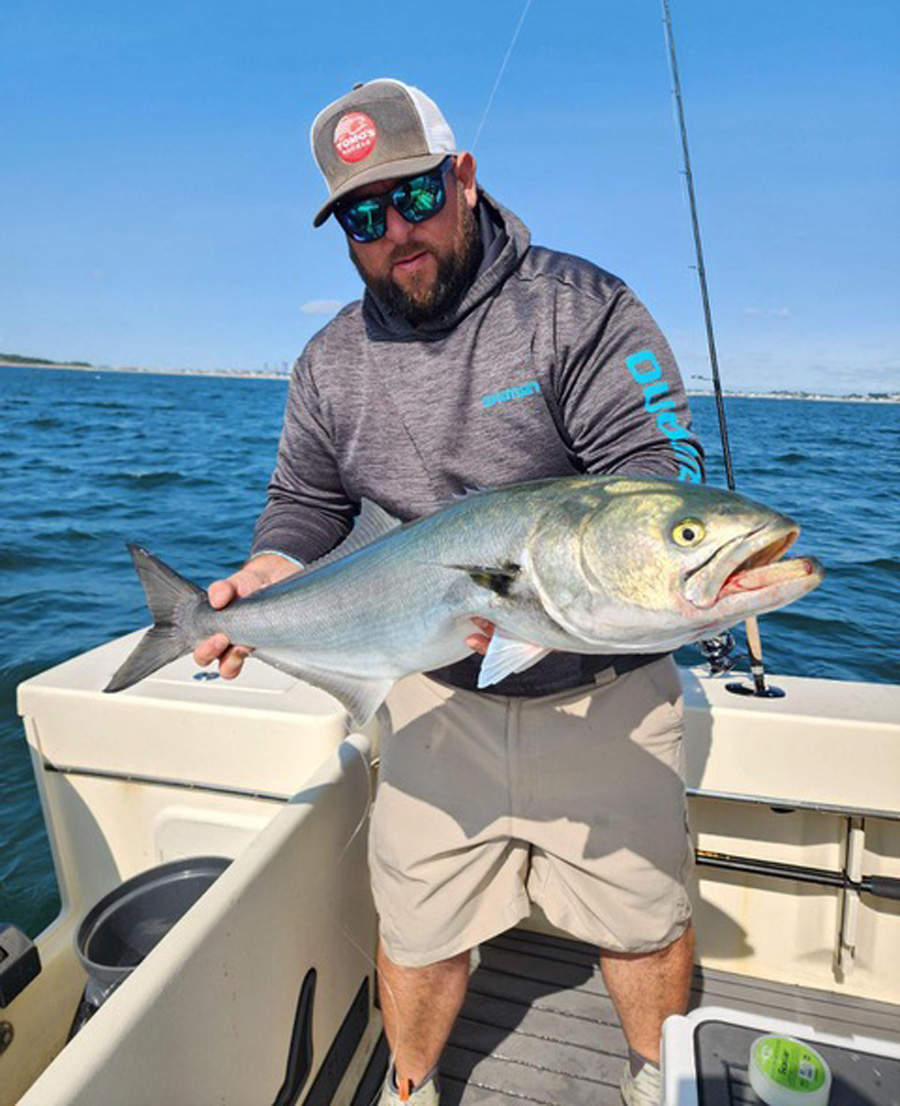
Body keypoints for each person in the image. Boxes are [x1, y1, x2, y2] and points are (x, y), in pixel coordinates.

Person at [195, 78, 704, 1106]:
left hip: (600, 692)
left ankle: (658, 1078)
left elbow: (655, 471)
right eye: (363, 216)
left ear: (461, 178)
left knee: (642, 920)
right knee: (420, 927)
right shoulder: (329, 360)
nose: (396, 233)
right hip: (429, 687)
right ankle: (412, 1085)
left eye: (413, 197)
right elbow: (303, 503)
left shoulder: (583, 308)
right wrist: (263, 575)